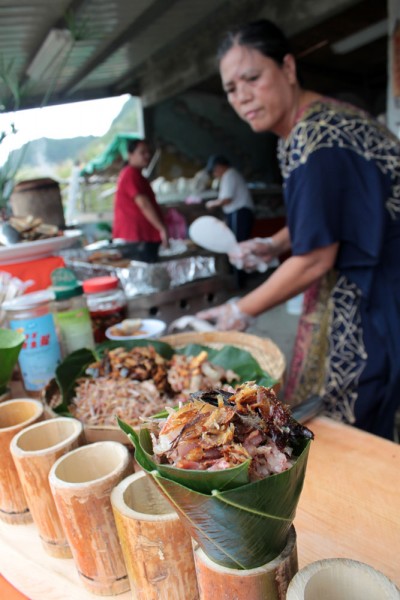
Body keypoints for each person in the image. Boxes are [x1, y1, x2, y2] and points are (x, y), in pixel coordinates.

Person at [197, 19, 400, 440]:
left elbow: (313, 260)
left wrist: (240, 310)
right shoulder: (308, 126)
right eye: (232, 89)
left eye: (252, 78)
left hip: (381, 281)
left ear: (288, 68)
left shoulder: (316, 137)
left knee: (348, 411)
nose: (242, 97)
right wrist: (273, 244)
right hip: (372, 270)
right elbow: (332, 211)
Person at [112, 138, 169, 260]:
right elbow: (144, 204)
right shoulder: (130, 174)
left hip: (141, 237)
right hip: (136, 238)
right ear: (130, 155)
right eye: (142, 152)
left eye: (148, 152)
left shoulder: (137, 174)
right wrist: (161, 228)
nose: (147, 155)